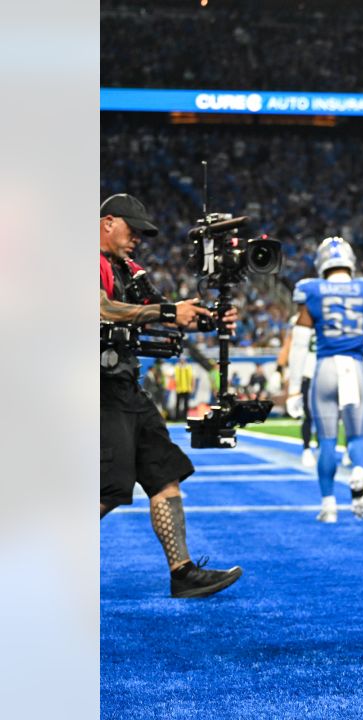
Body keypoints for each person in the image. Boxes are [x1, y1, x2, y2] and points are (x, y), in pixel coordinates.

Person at [99, 192, 243, 598]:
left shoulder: (127, 268)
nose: (138, 240)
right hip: (96, 388)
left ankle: (182, 573)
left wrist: (206, 319)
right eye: (134, 230)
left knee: (165, 473)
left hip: (124, 384)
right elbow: (100, 308)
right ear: (108, 222)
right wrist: (167, 313)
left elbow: (164, 311)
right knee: (106, 488)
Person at [287, 236, 363, 522]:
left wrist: (294, 389)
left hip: (325, 368)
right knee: (357, 435)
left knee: (327, 441)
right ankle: (358, 472)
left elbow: (298, 342)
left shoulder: (312, 289)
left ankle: (329, 505)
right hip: (354, 366)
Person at [279, 314, 318, 467]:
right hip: (307, 371)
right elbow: (290, 345)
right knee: (308, 413)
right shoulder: (297, 320)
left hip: (324, 370)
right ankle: (307, 448)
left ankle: (321, 448)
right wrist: (282, 369)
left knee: (325, 415)